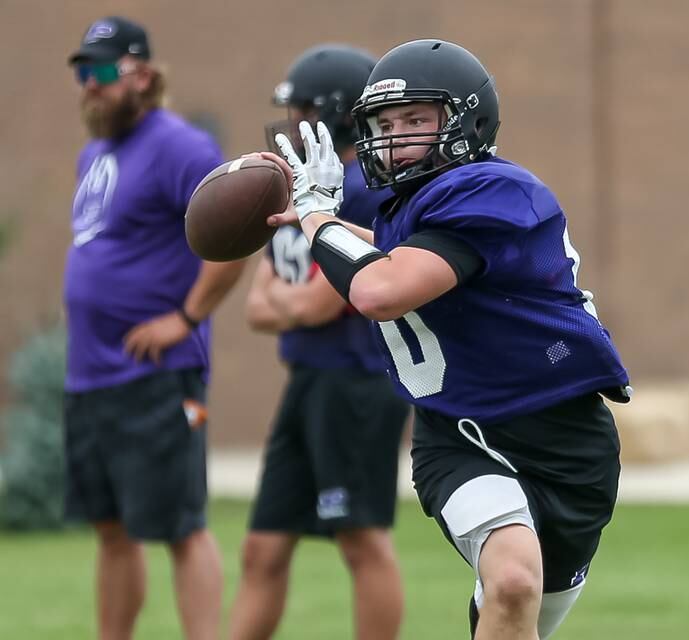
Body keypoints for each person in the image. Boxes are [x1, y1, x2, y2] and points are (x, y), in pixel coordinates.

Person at [264, 39, 632, 640]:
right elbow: (394, 263)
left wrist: (316, 216)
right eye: (385, 123)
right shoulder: (410, 206)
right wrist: (323, 218)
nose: (396, 135)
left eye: (416, 120)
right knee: (513, 581)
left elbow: (380, 289)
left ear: (465, 122)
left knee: (515, 611)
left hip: (564, 441)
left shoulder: (492, 189)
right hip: (459, 433)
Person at [64, 16, 245, 640]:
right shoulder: (96, 152)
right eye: (83, 74)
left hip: (161, 376)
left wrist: (186, 317)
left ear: (141, 74)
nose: (89, 85)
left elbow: (235, 235)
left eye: (102, 72)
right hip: (91, 377)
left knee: (181, 526)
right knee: (112, 530)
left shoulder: (181, 147)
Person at [227, 45, 409, 640]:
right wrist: (292, 305)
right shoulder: (296, 187)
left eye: (303, 107)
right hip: (307, 380)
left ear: (334, 112)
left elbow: (316, 301)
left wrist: (291, 304)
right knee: (261, 548)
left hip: (356, 384)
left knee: (360, 540)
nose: (292, 120)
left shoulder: (358, 191)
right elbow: (259, 308)